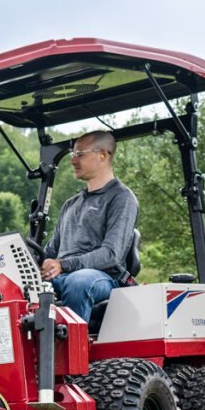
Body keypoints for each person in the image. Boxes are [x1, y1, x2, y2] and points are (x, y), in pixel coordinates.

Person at [40, 131, 139, 322]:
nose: (72, 161)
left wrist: (63, 265)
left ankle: (70, 350)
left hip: (102, 278)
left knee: (79, 282)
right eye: (72, 155)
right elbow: (51, 250)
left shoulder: (122, 198)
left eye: (79, 154)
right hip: (62, 276)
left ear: (102, 154)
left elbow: (111, 254)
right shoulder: (71, 204)